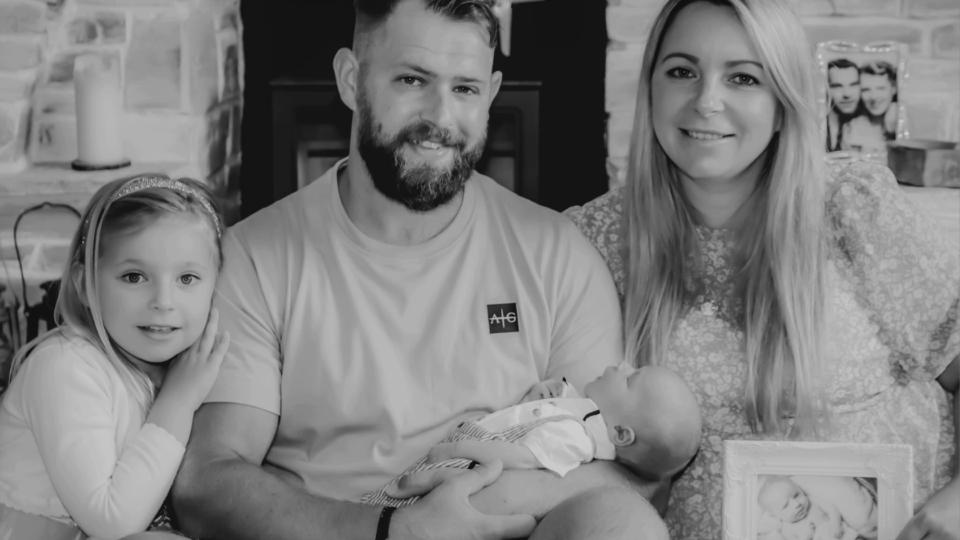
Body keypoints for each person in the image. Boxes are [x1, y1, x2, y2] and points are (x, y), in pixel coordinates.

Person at [171, 0, 664, 539]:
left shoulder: (558, 256)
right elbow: (207, 480)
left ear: (492, 94)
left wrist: (480, 508)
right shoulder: (255, 258)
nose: (440, 117)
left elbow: (617, 464)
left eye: (465, 89)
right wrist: (397, 530)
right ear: (349, 79)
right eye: (412, 79)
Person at [564, 0, 959, 539]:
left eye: (743, 78)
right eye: (682, 71)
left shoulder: (852, 210)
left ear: (782, 103)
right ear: (650, 89)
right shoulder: (595, 239)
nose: (706, 101)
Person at [0, 174, 229, 540]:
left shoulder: (173, 367)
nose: (164, 302)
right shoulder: (64, 367)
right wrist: (179, 401)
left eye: (187, 278)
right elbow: (110, 521)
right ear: (85, 285)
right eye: (135, 276)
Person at [364, 364, 702, 507]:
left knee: (395, 502)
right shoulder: (581, 413)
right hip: (472, 452)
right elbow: (531, 417)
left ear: (621, 434)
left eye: (630, 379)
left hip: (469, 461)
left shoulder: (577, 438)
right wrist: (545, 394)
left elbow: (522, 457)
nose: (622, 365)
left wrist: (461, 446)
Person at [758, 476, 877, 540]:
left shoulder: (813, 502)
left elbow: (832, 509)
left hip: (845, 536)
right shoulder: (787, 529)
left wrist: (836, 525)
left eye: (796, 495)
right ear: (775, 515)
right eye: (785, 506)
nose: (796, 504)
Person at [844, 61, 898, 155]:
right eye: (866, 90)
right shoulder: (852, 127)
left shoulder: (905, 123)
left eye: (880, 88)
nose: (873, 97)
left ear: (893, 89)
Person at [824, 58, 862, 152]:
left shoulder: (870, 122)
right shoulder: (818, 127)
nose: (847, 94)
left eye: (853, 85)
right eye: (837, 86)